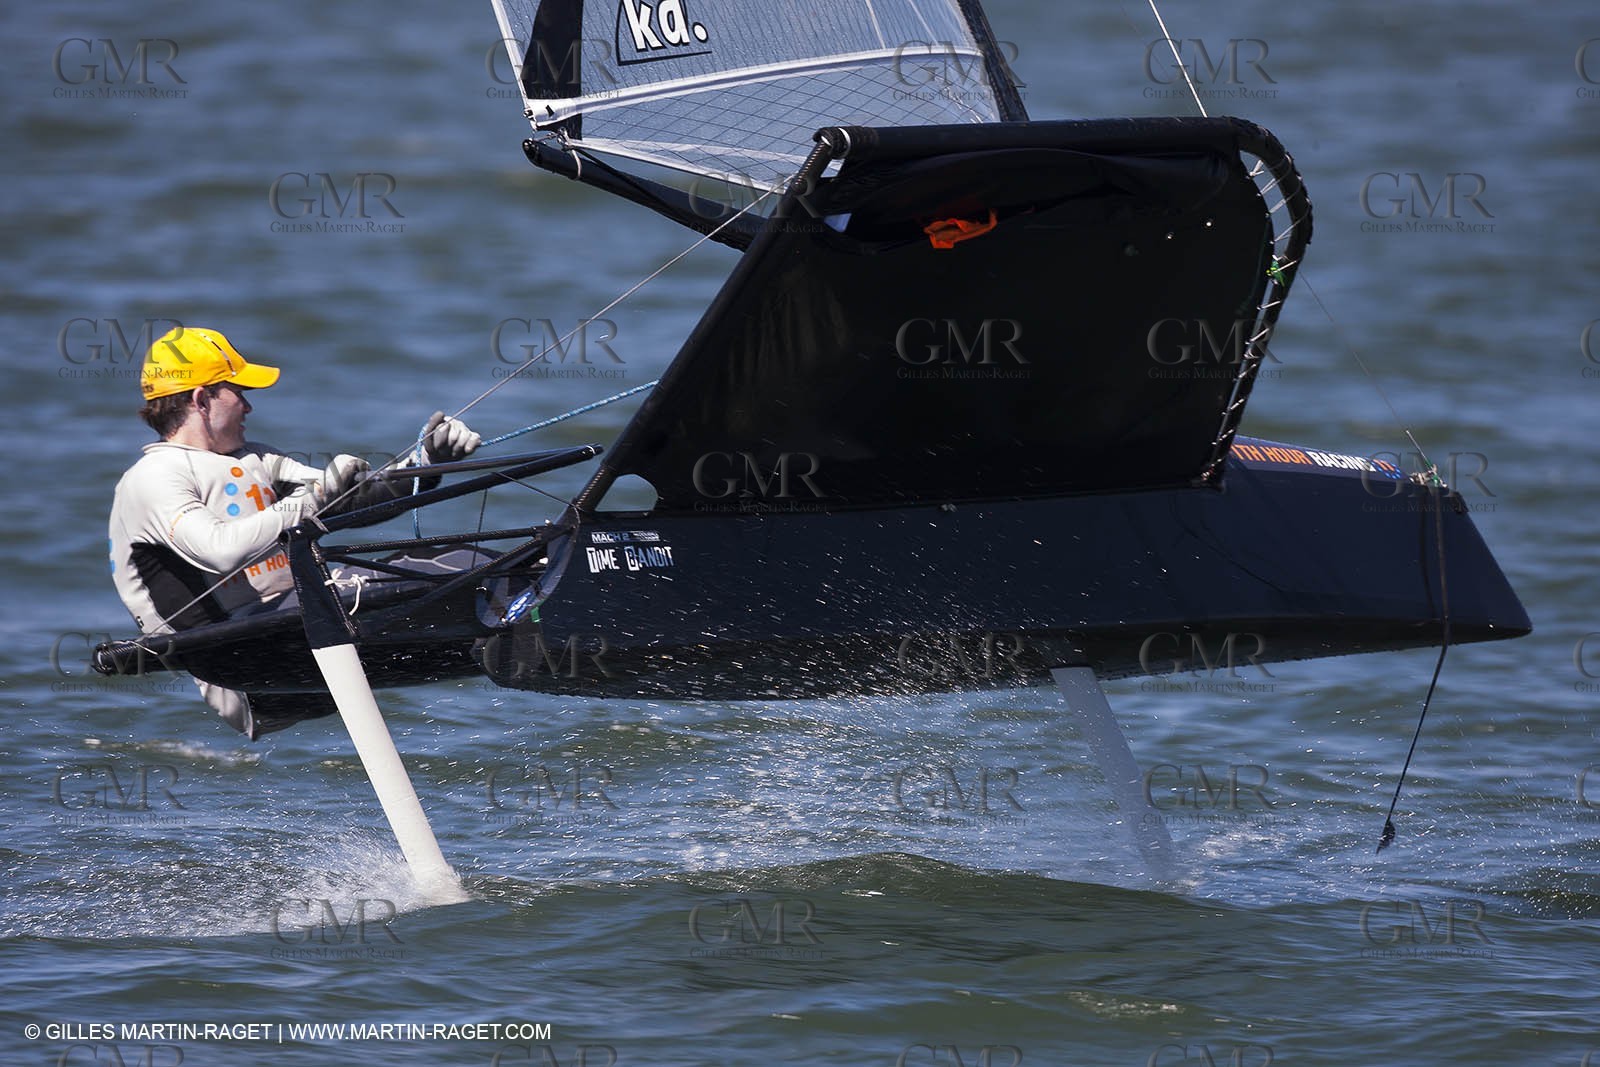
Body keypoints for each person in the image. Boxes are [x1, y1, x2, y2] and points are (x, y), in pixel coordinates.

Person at [109, 325, 482, 738]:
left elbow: (352, 501)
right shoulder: (153, 478)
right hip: (244, 665)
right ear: (201, 400)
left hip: (298, 633)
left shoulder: (257, 459)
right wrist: (312, 499)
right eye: (238, 391)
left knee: (459, 577)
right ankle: (530, 612)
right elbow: (218, 551)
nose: (248, 406)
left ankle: (520, 637)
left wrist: (427, 463)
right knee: (445, 568)